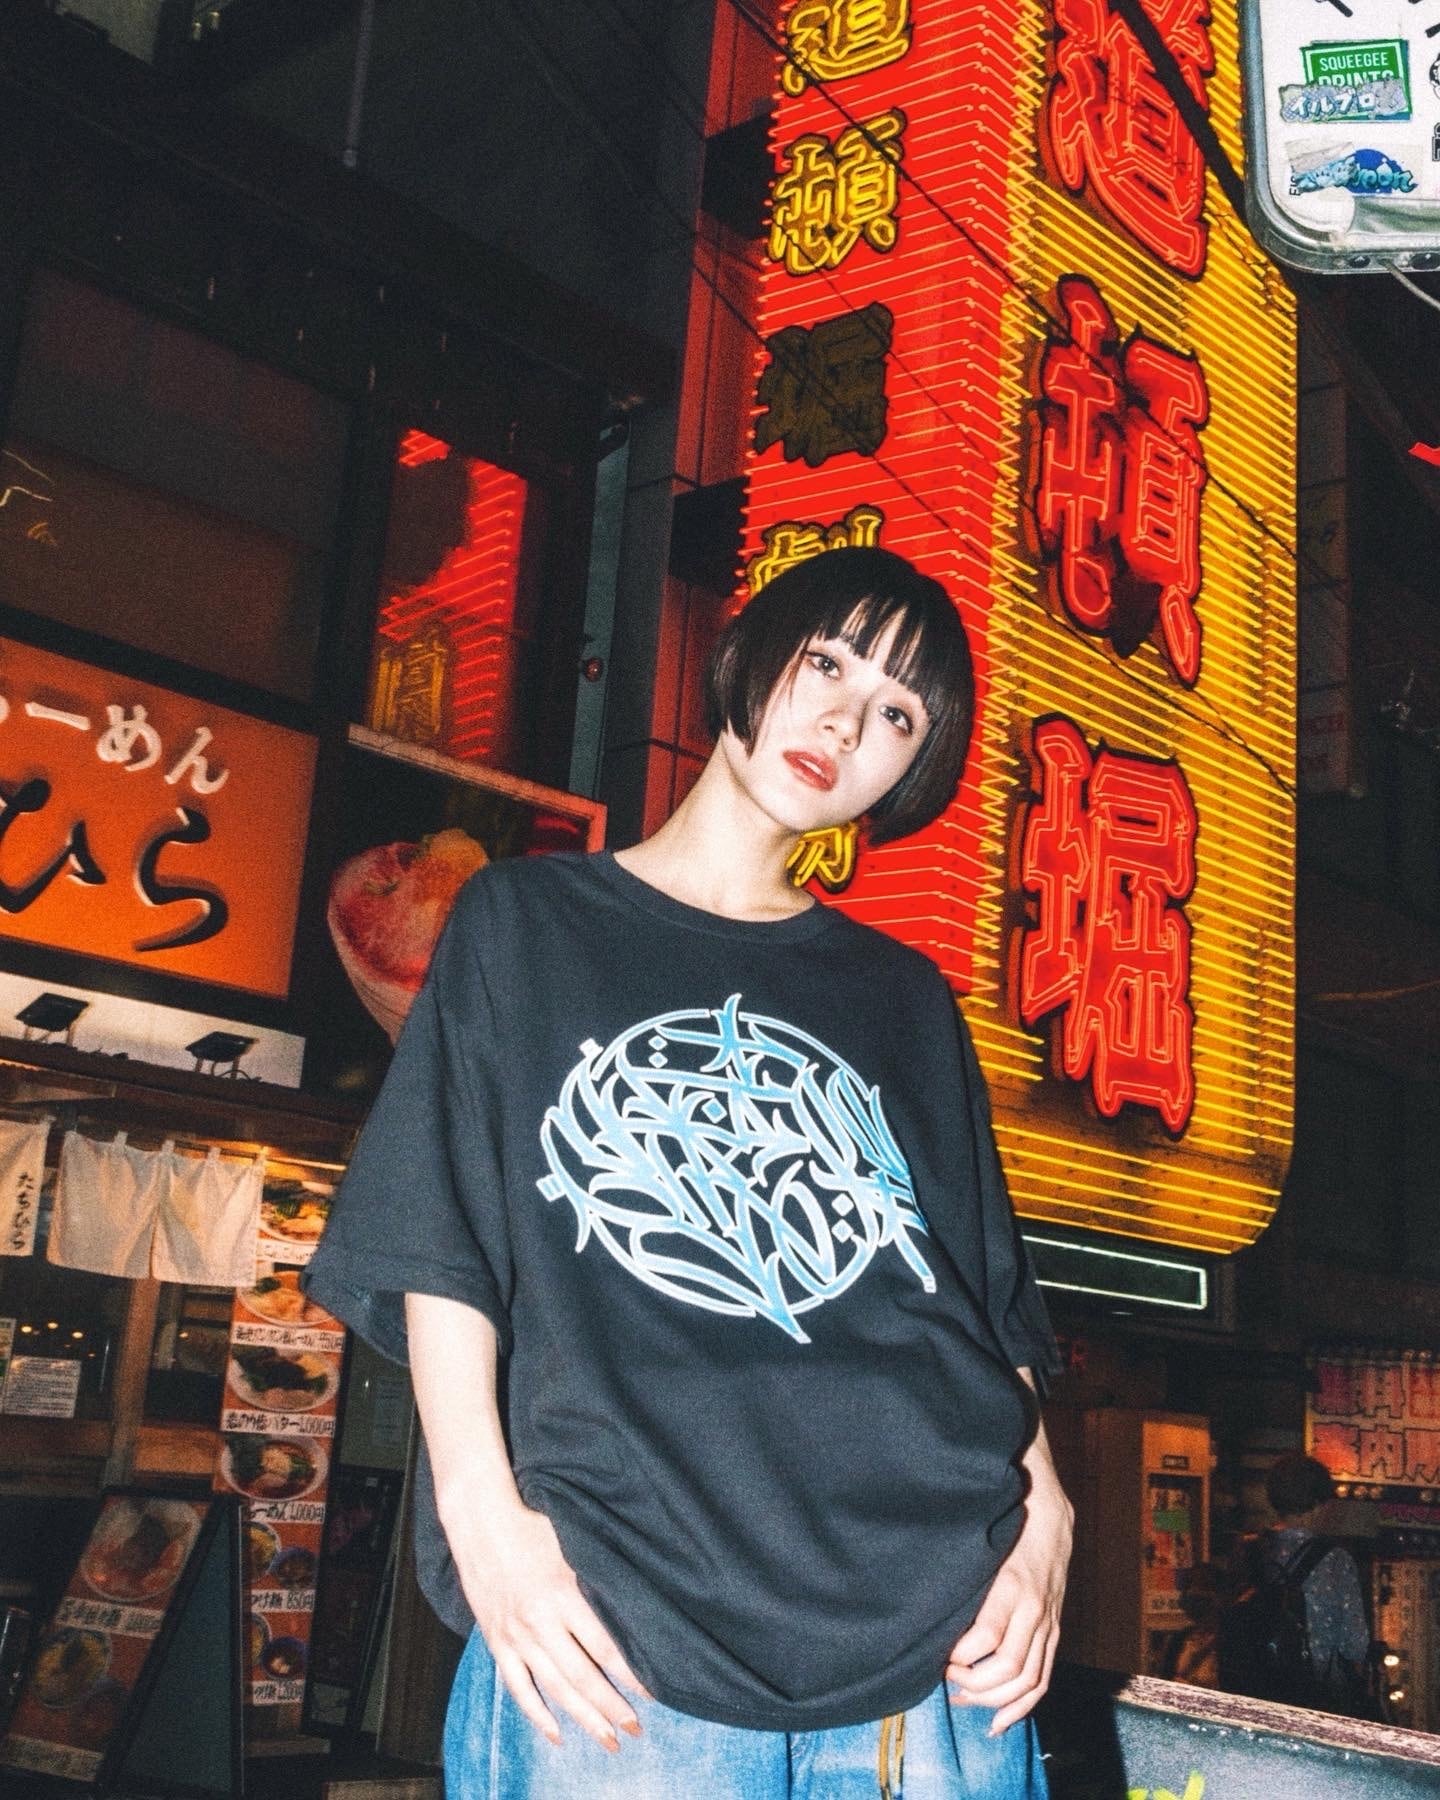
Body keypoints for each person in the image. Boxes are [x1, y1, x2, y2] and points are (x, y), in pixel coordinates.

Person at [304, 547, 1072, 1798]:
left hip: (938, 1634)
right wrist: (486, 1528)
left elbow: (979, 1299)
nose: (845, 723)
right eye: (827, 664)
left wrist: (1045, 1522)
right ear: (751, 655)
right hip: (626, 1616)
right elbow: (442, 1241)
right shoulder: (526, 922)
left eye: (897, 715)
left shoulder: (900, 996)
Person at [1222, 1452, 1372, 1716]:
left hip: (1254, 1693)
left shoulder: (1247, 1550)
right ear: (1317, 1504)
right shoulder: (1336, 1560)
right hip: (1315, 1698)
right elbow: (1354, 1645)